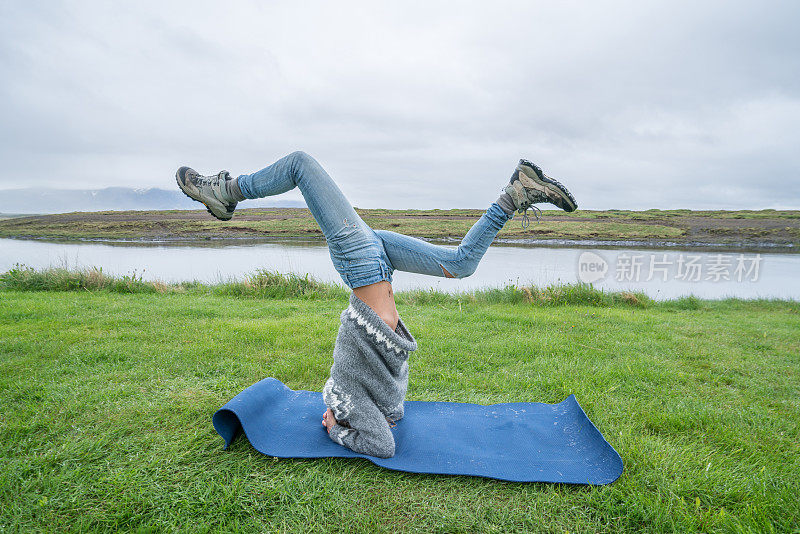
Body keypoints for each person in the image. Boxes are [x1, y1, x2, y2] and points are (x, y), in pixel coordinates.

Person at [176, 151, 577, 458]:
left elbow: (384, 417)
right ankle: (514, 194)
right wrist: (338, 428)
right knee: (460, 265)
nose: (325, 413)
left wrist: (339, 418)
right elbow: (383, 445)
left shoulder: (371, 399)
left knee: (301, 164)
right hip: (366, 261)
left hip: (368, 264)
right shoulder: (364, 402)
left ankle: (225, 192)